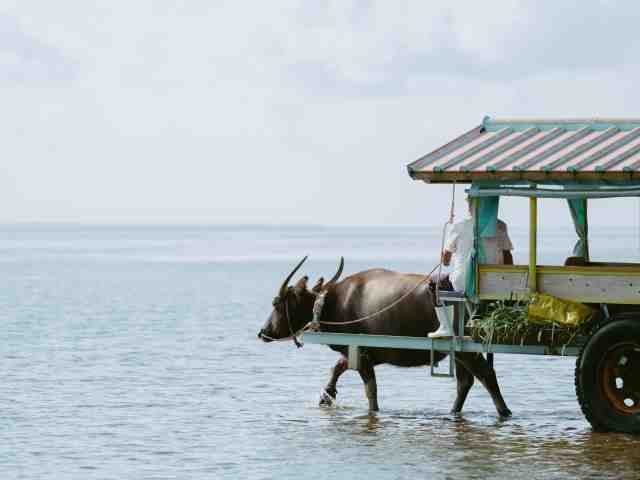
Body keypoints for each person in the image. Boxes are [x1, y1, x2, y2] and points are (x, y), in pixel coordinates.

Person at [432, 198, 514, 294]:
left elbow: (446, 261)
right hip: (494, 285)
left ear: (471, 207)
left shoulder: (459, 226)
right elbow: (508, 259)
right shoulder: (500, 226)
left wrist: (445, 258)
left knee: (435, 280)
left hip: (462, 284)